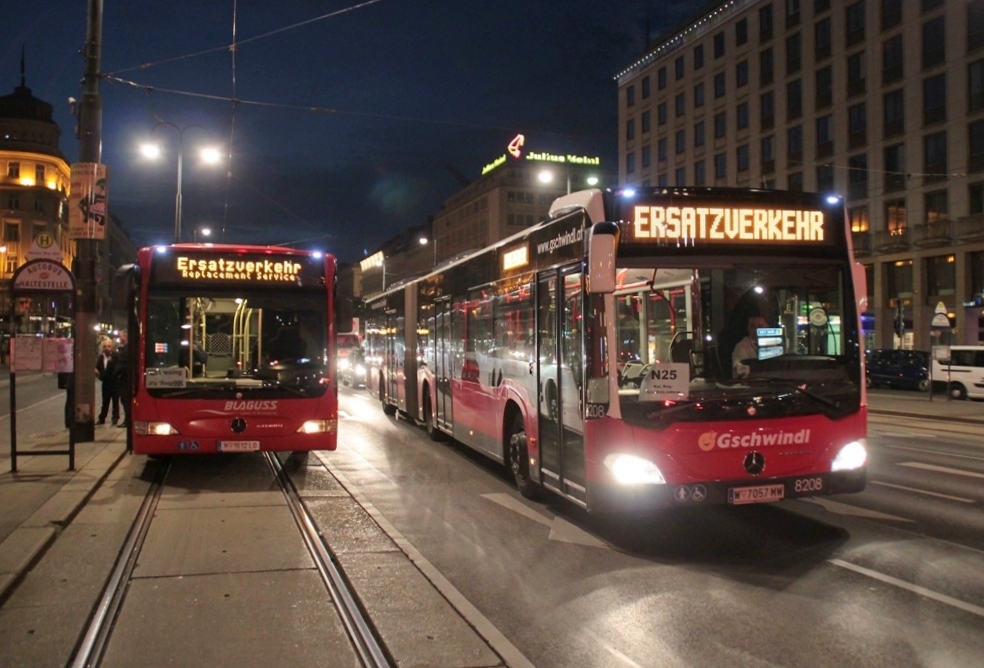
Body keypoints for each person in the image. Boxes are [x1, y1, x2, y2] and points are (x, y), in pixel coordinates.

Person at [95, 338, 119, 425]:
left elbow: (117, 368)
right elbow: (98, 367)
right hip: (105, 382)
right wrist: (96, 372)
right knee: (105, 401)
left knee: (115, 401)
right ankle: (102, 418)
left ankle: (115, 417)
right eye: (105, 346)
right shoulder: (101, 357)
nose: (107, 348)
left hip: (114, 382)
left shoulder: (116, 356)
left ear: (112, 347)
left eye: (108, 346)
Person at [113, 331, 131, 428]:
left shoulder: (126, 349)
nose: (119, 338)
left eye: (120, 336)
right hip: (124, 378)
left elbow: (123, 364)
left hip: (124, 380)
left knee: (125, 400)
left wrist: (118, 374)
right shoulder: (126, 348)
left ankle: (128, 420)